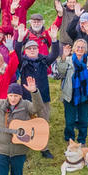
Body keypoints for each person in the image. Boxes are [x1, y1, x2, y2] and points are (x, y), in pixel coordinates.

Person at [15, 25, 60, 157]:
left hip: (43, 97)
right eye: (29, 48)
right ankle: (25, 144)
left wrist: (54, 40)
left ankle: (43, 147)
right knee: (26, 121)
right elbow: (17, 53)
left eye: (35, 48)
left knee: (43, 122)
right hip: (27, 98)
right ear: (26, 50)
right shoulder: (22, 61)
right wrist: (20, 39)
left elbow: (55, 54)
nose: (33, 50)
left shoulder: (43, 60)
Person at [56, 38, 88, 144]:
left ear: (85, 50)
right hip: (70, 95)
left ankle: (82, 140)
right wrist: (63, 57)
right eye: (78, 47)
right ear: (73, 49)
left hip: (85, 96)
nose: (80, 49)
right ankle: (69, 139)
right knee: (70, 121)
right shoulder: (67, 60)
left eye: (82, 47)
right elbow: (61, 71)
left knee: (83, 121)